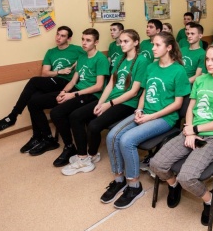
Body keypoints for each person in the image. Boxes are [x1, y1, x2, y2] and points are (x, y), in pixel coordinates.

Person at [150, 44, 213, 225]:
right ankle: (173, 185)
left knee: (187, 177)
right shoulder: (200, 80)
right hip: (190, 131)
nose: (209, 63)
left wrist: (195, 130)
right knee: (156, 164)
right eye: (207, 59)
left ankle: (210, 199)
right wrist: (190, 129)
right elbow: (191, 108)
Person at [100, 32, 190, 209]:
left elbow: (178, 104)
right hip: (145, 112)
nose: (153, 48)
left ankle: (134, 186)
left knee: (126, 140)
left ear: (169, 47)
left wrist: (151, 117)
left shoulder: (179, 70)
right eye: (153, 44)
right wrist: (139, 110)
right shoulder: (151, 67)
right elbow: (145, 92)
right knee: (112, 136)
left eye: (157, 45)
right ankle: (118, 180)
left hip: (164, 118)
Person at [61, 29, 148, 176]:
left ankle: (90, 156)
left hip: (127, 103)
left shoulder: (142, 61)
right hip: (110, 99)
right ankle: (83, 156)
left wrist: (109, 104)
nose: (122, 44)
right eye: (120, 41)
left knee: (94, 125)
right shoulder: (120, 58)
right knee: (75, 116)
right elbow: (110, 85)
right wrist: (100, 103)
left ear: (136, 42)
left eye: (126, 41)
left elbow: (133, 92)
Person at [0, 25, 84, 133]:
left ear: (68, 39)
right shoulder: (51, 52)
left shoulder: (77, 50)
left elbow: (91, 56)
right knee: (33, 100)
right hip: (53, 81)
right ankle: (42, 137)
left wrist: (79, 63)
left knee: (34, 81)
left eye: (62, 36)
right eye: (57, 34)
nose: (58, 37)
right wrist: (59, 72)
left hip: (66, 83)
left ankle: (13, 115)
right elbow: (45, 73)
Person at [48, 29, 109, 166]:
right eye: (83, 39)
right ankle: (70, 146)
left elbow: (99, 86)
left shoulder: (101, 59)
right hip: (79, 91)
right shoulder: (82, 57)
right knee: (55, 112)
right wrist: (63, 92)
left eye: (88, 40)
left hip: (93, 95)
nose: (84, 43)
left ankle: (81, 154)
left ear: (96, 42)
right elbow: (73, 81)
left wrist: (73, 94)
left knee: (73, 116)